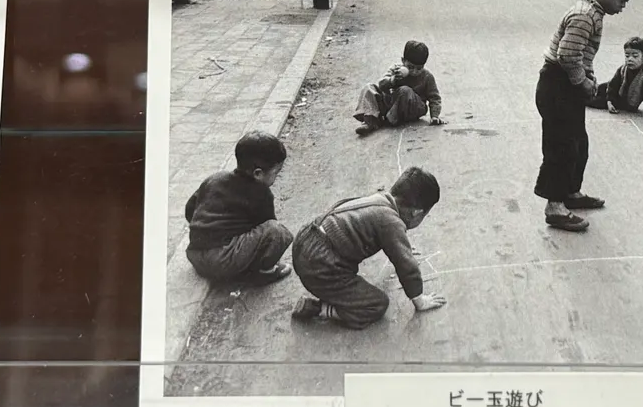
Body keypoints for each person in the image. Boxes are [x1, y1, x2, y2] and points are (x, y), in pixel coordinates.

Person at [535, 0, 642, 233]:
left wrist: (588, 79)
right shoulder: (585, 15)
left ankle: (571, 192)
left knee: (577, 143)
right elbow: (567, 55)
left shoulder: (594, 12)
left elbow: (581, 55)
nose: (623, 6)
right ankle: (554, 206)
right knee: (561, 148)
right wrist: (582, 82)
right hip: (557, 86)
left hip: (567, 86)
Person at [289, 166, 446, 328]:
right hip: (320, 265)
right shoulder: (391, 222)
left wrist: (400, 246)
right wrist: (419, 300)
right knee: (376, 304)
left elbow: (386, 237)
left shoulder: (380, 200)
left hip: (306, 240)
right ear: (416, 213)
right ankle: (319, 309)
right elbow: (407, 266)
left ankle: (329, 290)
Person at [182, 130, 293, 287]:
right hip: (222, 262)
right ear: (258, 173)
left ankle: (232, 265)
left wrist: (208, 229)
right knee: (277, 231)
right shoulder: (261, 194)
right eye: (276, 172)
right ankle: (264, 272)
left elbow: (190, 210)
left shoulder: (214, 179)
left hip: (196, 256)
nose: (277, 177)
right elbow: (268, 237)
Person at [353, 40, 443, 134]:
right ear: (403, 61)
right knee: (369, 87)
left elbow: (434, 98)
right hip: (392, 105)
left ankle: (389, 120)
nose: (414, 71)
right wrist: (393, 80)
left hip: (412, 109)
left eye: (419, 68)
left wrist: (434, 116)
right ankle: (370, 120)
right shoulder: (396, 70)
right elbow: (381, 85)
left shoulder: (427, 76)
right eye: (410, 67)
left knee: (405, 90)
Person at [590, 36, 643, 115]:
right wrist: (610, 101)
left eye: (635, 56)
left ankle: (585, 98)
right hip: (616, 92)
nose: (630, 59)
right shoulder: (623, 69)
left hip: (624, 102)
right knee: (602, 87)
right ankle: (592, 90)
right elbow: (613, 85)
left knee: (596, 101)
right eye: (627, 56)